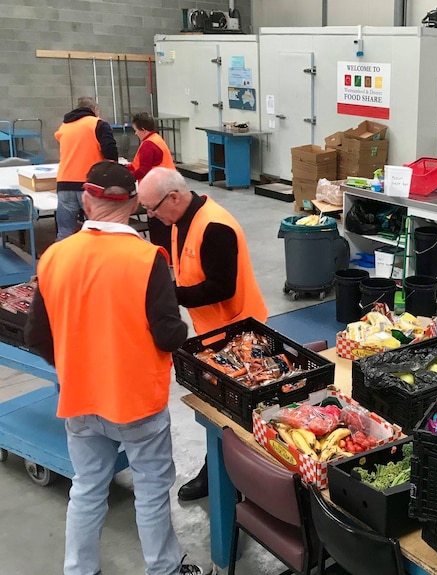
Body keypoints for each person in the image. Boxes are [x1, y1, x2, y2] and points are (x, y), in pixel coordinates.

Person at [24, 161, 211, 575]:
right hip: (136, 401)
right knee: (149, 488)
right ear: (132, 206)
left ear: (87, 201)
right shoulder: (147, 260)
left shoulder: (55, 257)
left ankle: (79, 569)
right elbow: (166, 334)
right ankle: (164, 568)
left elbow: (36, 335)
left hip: (79, 399)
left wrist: (74, 364)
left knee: (87, 488)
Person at [138, 167, 268, 501]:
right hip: (212, 333)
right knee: (219, 410)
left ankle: (231, 477)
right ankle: (227, 472)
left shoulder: (215, 227)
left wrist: (168, 294)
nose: (151, 216)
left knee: (230, 414)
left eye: (153, 208)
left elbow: (221, 289)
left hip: (240, 334)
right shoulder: (181, 221)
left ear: (175, 197)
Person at [54, 96, 119, 241]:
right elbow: (110, 151)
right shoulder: (98, 124)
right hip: (91, 184)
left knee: (65, 231)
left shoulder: (65, 126)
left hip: (65, 183)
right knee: (98, 230)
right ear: (95, 110)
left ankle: (64, 262)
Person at [128, 111, 177, 255]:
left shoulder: (148, 145)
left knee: (158, 225)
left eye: (136, 130)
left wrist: (126, 177)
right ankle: (169, 255)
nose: (136, 134)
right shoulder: (156, 139)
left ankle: (163, 255)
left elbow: (143, 170)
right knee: (165, 224)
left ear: (143, 129)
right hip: (167, 186)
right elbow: (138, 164)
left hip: (158, 190)